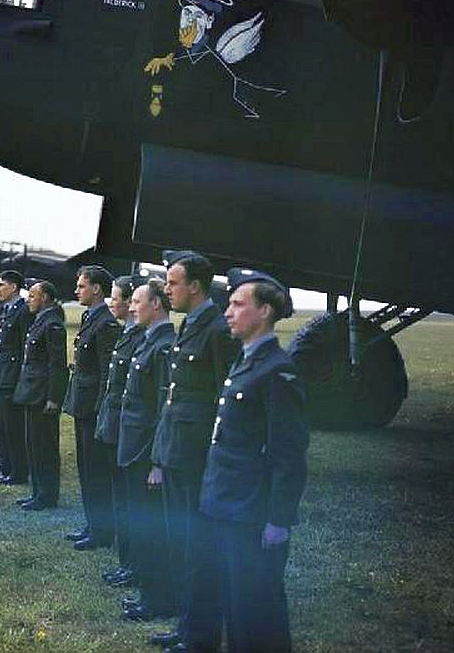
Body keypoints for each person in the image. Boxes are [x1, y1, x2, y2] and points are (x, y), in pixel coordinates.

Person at [185, 269, 308, 653]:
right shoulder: (246, 361)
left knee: (255, 611)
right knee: (229, 599)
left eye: (238, 304)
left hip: (250, 510)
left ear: (265, 311)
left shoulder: (277, 370)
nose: (228, 312)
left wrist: (278, 519)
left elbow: (289, 455)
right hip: (224, 501)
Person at [151, 251, 239, 651]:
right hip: (175, 451)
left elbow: (225, 400)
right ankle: (187, 629)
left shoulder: (217, 330)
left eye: (173, 282)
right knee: (181, 543)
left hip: (195, 458)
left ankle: (200, 637)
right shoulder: (191, 325)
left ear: (195, 286)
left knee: (197, 548)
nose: (167, 289)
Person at [117, 278, 176, 622]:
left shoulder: (164, 345)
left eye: (138, 301)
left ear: (156, 305)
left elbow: (163, 411)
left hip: (145, 452)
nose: (132, 307)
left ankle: (156, 600)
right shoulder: (148, 341)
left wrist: (157, 460)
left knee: (151, 527)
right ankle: (146, 589)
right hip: (134, 447)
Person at [63, 265, 121, 551]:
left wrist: (100, 411)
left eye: (82, 286)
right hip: (83, 405)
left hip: (93, 409)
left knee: (96, 471)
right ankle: (92, 523)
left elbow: (106, 372)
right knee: (86, 469)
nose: (77, 290)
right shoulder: (90, 317)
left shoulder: (106, 323)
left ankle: (101, 530)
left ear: (97, 288)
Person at [95, 275, 144, 590]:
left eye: (116, 297)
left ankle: (133, 564)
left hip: (127, 430)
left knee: (130, 500)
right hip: (115, 425)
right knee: (120, 497)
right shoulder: (128, 334)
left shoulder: (139, 337)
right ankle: (127, 562)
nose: (112, 303)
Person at [13, 280, 67, 510]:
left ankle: (47, 495)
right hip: (32, 393)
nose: (29, 299)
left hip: (42, 395)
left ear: (45, 297)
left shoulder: (52, 324)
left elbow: (57, 365)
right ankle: (38, 492)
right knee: (33, 445)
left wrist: (54, 398)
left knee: (44, 447)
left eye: (33, 295)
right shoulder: (41, 321)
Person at [0, 270, 33, 486]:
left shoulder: (22, 311)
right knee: (2, 425)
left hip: (11, 378)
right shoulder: (6, 310)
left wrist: (20, 382)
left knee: (13, 428)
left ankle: (18, 472)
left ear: (14, 287)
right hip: (0, 375)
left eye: (1, 285)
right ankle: (6, 466)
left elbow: (25, 350)